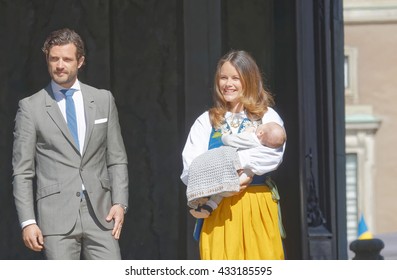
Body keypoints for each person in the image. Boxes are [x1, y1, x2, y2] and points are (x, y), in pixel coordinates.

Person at [12, 28, 129, 260]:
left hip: (101, 213)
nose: (60, 65)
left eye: (66, 59)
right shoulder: (31, 107)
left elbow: (116, 158)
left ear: (80, 61)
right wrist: (28, 221)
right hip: (55, 216)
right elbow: (22, 171)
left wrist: (120, 203)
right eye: (54, 59)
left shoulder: (103, 100)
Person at [181, 50, 286, 260]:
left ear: (249, 80)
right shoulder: (207, 121)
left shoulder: (267, 117)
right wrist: (231, 169)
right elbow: (191, 168)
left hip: (257, 205)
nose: (228, 84)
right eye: (223, 77)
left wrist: (237, 164)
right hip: (219, 212)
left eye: (235, 78)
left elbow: (273, 156)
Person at [187, 122, 286, 219]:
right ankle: (209, 206)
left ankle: (204, 195)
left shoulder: (252, 138)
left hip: (244, 193)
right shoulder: (266, 150)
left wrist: (226, 138)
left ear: (260, 133)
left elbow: (227, 140)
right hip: (241, 181)